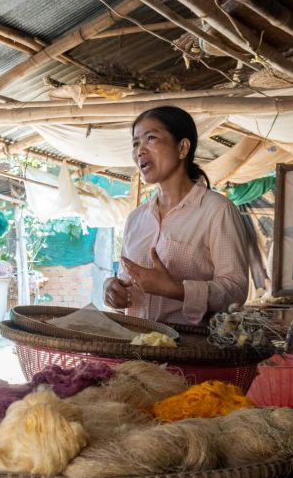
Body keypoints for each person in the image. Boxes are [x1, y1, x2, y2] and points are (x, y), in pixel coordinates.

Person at [104, 106, 250, 326]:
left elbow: (236, 292)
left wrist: (176, 289)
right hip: (136, 347)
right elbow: (127, 282)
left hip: (190, 351)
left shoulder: (217, 210)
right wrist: (112, 289)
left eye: (150, 138)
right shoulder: (136, 219)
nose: (139, 151)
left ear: (182, 148)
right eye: (135, 143)